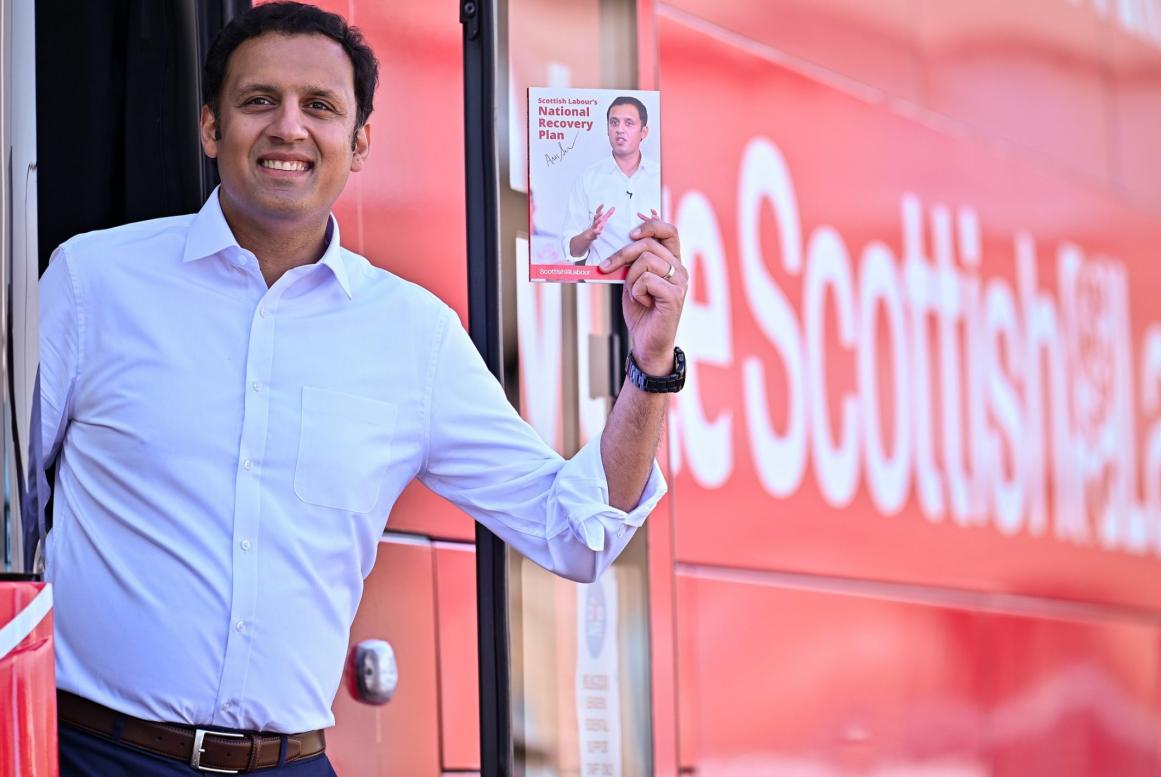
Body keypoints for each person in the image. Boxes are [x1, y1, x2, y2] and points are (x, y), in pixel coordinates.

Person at [39, 4, 687, 776]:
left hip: (290, 763)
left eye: (320, 106)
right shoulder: (91, 282)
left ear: (361, 142)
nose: (288, 127)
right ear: (211, 128)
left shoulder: (414, 335)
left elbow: (575, 532)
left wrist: (649, 368)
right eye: (258, 101)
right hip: (87, 754)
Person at [561, 95, 662, 266]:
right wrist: (590, 234)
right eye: (614, 123)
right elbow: (572, 251)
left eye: (628, 123)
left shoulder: (661, 177)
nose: (620, 130)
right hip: (600, 282)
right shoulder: (589, 178)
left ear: (644, 132)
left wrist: (661, 232)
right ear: (607, 130)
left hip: (649, 281)